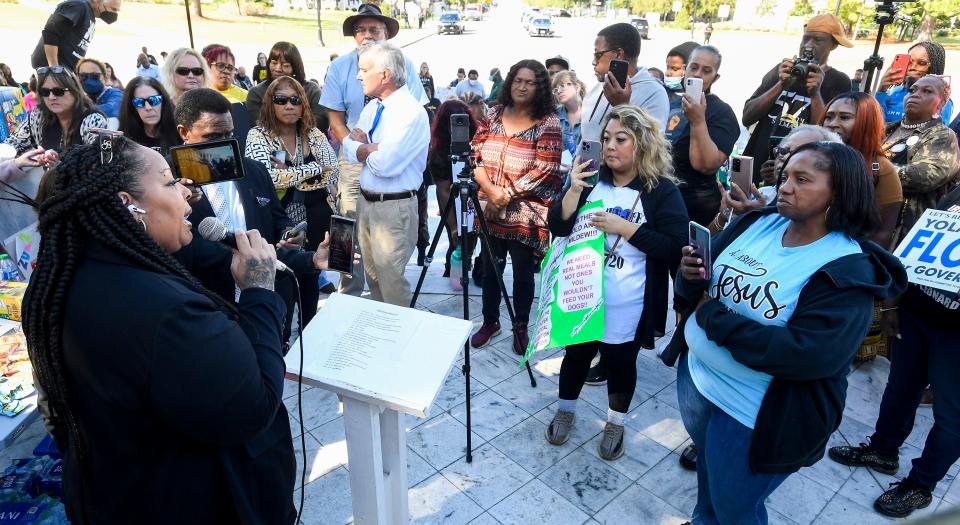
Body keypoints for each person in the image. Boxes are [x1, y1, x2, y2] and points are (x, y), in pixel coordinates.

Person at [22, 138, 298, 522]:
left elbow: (56, 411)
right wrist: (258, 293)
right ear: (126, 204)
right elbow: (254, 405)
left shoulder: (53, 284)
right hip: (189, 502)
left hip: (116, 495)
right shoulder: (166, 312)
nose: (186, 192)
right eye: (169, 182)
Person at [673, 141, 907, 524]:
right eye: (785, 177)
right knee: (711, 483)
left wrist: (713, 317)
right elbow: (697, 290)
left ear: (840, 192)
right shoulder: (757, 222)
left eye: (802, 179)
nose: (784, 186)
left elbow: (805, 353)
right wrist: (689, 275)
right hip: (698, 382)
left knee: (736, 508)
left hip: (754, 414)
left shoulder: (848, 270)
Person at [545, 105, 688, 460]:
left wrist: (626, 228)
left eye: (620, 139)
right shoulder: (591, 180)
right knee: (575, 356)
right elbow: (558, 227)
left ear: (642, 144)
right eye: (606, 138)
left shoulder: (661, 191)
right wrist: (573, 191)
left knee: (621, 364)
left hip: (629, 303)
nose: (610, 146)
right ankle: (566, 410)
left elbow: (674, 246)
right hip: (583, 295)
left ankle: (616, 422)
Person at [828, 183, 960, 519]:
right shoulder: (958, 193)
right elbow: (917, 248)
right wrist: (892, 304)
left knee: (951, 417)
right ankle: (883, 451)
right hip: (917, 315)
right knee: (901, 389)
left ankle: (921, 485)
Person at [174, 88, 323, 343]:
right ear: (184, 132)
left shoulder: (252, 170)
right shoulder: (167, 184)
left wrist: (288, 233)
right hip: (206, 313)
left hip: (263, 306)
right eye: (212, 136)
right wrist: (178, 201)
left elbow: (276, 217)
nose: (225, 144)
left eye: (229, 134)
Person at [320, 4, 427, 298]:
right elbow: (336, 120)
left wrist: (365, 147)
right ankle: (348, 292)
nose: (366, 35)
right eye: (360, 29)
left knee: (386, 264)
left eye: (373, 29)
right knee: (345, 226)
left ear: (385, 33)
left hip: (385, 165)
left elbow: (404, 126)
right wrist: (357, 147)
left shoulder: (403, 64)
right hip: (350, 156)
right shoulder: (340, 66)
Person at [469, 59, 562, 354]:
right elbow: (475, 155)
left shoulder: (548, 122)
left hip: (525, 211)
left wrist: (504, 195)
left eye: (530, 82)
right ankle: (490, 321)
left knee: (522, 272)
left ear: (540, 87)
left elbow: (545, 168)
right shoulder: (494, 113)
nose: (522, 86)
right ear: (510, 82)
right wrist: (491, 191)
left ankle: (520, 325)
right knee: (490, 268)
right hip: (489, 205)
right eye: (518, 80)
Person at [341, 42, 430, 306]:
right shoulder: (373, 108)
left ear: (385, 75)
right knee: (372, 278)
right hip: (367, 203)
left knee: (392, 284)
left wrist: (363, 146)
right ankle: (382, 332)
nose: (358, 76)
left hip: (394, 207)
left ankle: (399, 337)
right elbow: (348, 146)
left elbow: (385, 165)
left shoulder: (410, 113)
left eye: (363, 70)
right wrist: (370, 147)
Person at [245, 76, 340, 323]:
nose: (289, 105)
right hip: (280, 216)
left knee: (311, 277)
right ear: (270, 104)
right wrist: (311, 169)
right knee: (284, 277)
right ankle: (283, 337)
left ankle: (309, 331)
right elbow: (267, 178)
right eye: (281, 100)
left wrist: (288, 172)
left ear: (303, 105)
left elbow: (333, 167)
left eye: (295, 100)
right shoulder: (257, 136)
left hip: (319, 214)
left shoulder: (313, 133)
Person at [741, 13, 853, 182]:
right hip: (756, 168)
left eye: (818, 40)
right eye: (806, 39)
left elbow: (828, 136)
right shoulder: (782, 71)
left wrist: (815, 93)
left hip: (798, 177)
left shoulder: (838, 80)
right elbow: (747, 117)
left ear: (833, 45)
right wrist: (780, 85)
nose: (808, 45)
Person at [881, 75, 959, 243]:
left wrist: (874, 170)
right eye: (912, 90)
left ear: (941, 104)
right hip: (867, 218)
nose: (915, 94)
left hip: (902, 230)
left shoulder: (942, 135)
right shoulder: (884, 130)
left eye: (927, 91)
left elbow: (925, 176)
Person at [668, 45, 739, 227]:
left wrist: (698, 121)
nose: (698, 74)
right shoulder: (669, 101)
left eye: (706, 71)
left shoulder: (722, 112)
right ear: (685, 69)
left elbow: (705, 165)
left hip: (694, 207)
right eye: (694, 67)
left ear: (715, 77)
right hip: (661, 199)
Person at [821, 92, 902, 249]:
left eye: (844, 117)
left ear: (866, 122)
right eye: (829, 117)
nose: (832, 124)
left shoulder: (882, 169)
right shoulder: (807, 157)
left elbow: (883, 234)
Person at [2, 67, 107, 180]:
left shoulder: (93, 119)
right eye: (45, 92)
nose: (51, 97)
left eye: (59, 91)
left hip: (84, 191)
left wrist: (63, 166)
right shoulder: (38, 115)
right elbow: (11, 144)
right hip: (47, 189)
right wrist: (25, 157)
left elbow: (101, 165)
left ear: (75, 90)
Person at [581, 23, 669, 146]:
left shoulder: (654, 93)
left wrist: (622, 106)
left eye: (598, 54)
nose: (594, 62)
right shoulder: (598, 88)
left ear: (618, 54)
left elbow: (651, 148)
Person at [428, 99, 478, 276]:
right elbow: (443, 190)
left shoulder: (476, 144)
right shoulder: (439, 152)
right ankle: (455, 276)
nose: (456, 129)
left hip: (475, 199)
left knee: (471, 241)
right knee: (456, 242)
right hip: (450, 202)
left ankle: (468, 267)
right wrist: (454, 225)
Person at [247, 42, 329, 147]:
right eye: (274, 62)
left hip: (310, 148)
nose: (277, 68)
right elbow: (260, 125)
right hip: (272, 149)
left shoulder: (311, 89)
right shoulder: (256, 93)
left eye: (285, 65)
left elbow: (322, 121)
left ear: (295, 67)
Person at [30, 0, 121, 71]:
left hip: (66, 70)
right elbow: (51, 32)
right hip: (52, 69)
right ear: (98, 1)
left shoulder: (90, 14)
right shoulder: (78, 6)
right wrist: (54, 67)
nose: (115, 14)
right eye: (113, 9)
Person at [875, 41, 952, 124]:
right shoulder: (892, 92)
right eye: (909, 62)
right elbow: (874, 123)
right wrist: (881, 90)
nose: (913, 67)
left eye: (922, 63)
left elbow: (938, 132)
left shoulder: (941, 100)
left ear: (934, 67)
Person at [119, 76, 179, 154]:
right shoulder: (123, 140)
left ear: (163, 102)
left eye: (154, 100)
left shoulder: (181, 132)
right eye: (139, 102)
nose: (148, 107)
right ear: (133, 108)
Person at [663, 41, 700, 139]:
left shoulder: (697, 102)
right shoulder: (661, 93)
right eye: (667, 67)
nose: (668, 73)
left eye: (674, 69)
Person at [552, 70, 584, 161]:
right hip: (560, 172)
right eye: (555, 89)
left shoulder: (592, 113)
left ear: (577, 87)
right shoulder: (553, 116)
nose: (558, 91)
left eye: (562, 86)